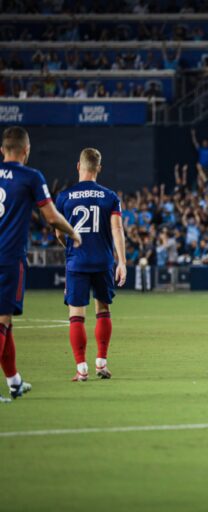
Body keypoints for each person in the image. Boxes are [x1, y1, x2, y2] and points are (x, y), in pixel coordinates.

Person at [0, 126, 81, 401]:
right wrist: (73, 232)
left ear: (2, 150)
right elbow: (52, 217)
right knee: (2, 320)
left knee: (6, 323)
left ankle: (14, 382)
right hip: (8, 258)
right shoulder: (30, 176)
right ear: (26, 150)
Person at [55, 148, 127, 381]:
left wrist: (68, 243)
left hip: (77, 261)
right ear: (99, 168)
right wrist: (122, 262)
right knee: (103, 310)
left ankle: (81, 369)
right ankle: (101, 364)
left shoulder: (64, 197)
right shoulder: (110, 197)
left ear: (79, 166)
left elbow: (58, 232)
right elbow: (117, 229)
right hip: (103, 260)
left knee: (76, 315)